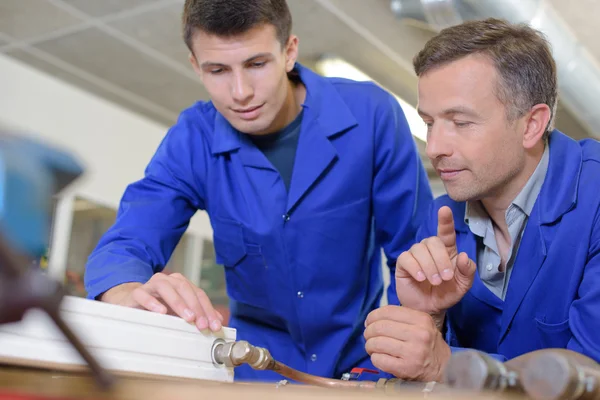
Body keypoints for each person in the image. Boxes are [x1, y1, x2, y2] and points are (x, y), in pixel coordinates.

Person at [84, 0, 432, 382]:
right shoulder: (192, 139)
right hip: (253, 369)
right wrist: (125, 290)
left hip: (363, 365)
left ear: (289, 51)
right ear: (195, 67)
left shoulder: (371, 115)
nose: (240, 92)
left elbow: (415, 257)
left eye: (256, 64)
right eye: (217, 70)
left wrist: (399, 360)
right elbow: (127, 242)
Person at [364, 17, 600, 382]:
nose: (436, 149)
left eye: (460, 122)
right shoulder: (440, 215)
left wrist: (448, 366)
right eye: (429, 123)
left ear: (532, 125)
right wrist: (428, 319)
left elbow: (590, 377)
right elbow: (406, 367)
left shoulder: (595, 199)